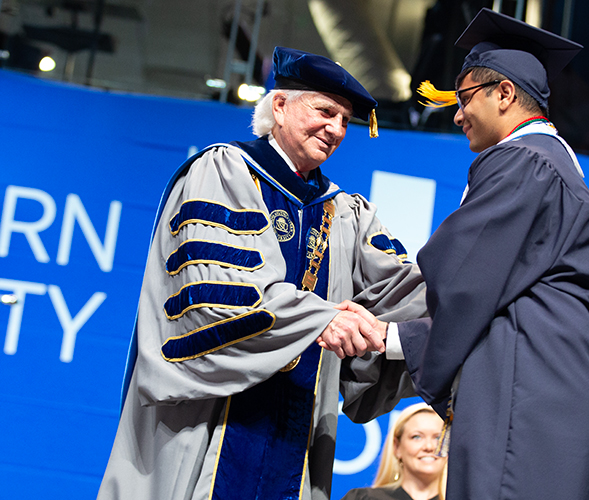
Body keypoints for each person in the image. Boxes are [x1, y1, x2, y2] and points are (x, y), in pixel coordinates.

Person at [97, 46, 426, 500]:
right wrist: (322, 319)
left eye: (346, 121)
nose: (336, 129)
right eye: (326, 111)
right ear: (280, 105)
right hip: (210, 422)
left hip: (294, 434)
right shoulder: (225, 172)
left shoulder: (345, 212)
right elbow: (218, 297)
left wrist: (475, 296)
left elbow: (398, 291)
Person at [335, 8, 589, 500]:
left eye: (465, 97)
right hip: (553, 398)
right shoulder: (556, 169)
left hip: (526, 398)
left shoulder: (525, 162)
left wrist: (386, 333)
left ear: (504, 94)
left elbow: (461, 278)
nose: (457, 112)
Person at [341, 403, 448, 500]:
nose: (429, 446)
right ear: (397, 447)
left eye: (438, 438)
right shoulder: (363, 498)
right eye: (417, 437)